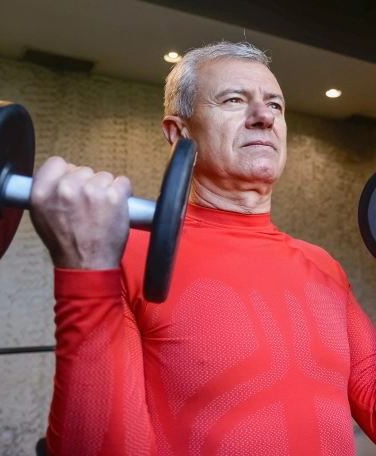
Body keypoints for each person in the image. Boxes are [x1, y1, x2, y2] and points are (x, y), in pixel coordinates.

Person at [30, 42, 376, 455]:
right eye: (234, 99)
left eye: (276, 106)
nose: (264, 117)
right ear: (179, 133)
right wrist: (85, 270)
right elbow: (98, 448)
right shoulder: (121, 256)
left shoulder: (323, 265)